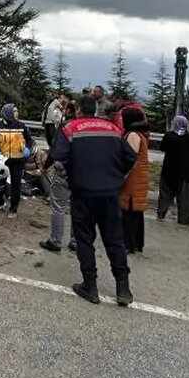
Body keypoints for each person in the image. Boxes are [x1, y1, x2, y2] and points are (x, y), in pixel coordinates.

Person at [50, 94, 138, 306]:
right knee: (114, 240)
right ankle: (123, 288)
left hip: (83, 193)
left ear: (78, 109)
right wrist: (116, 175)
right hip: (109, 193)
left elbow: (58, 154)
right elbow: (130, 157)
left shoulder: (71, 129)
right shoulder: (113, 129)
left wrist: (74, 169)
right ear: (95, 110)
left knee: (84, 239)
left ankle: (90, 285)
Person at [40, 103, 78, 253]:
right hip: (81, 174)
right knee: (77, 208)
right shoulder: (86, 127)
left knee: (58, 207)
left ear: (69, 111)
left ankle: (55, 241)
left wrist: (45, 167)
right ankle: (75, 241)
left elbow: (55, 150)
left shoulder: (66, 127)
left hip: (64, 172)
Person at [0, 102, 34, 217]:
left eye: (17, 111)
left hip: (18, 160)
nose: (17, 113)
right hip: (2, 160)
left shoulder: (21, 126)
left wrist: (28, 149)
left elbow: (30, 140)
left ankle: (13, 209)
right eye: (14, 111)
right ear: (7, 112)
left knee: (16, 185)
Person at [158, 115, 189, 224]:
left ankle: (161, 213)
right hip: (185, 173)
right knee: (184, 198)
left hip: (169, 171)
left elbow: (162, 147)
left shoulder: (169, 136)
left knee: (165, 194)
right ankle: (184, 219)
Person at [119, 107, 152, 253]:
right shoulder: (140, 134)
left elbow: (129, 159)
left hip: (133, 178)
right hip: (140, 176)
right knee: (136, 212)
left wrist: (120, 176)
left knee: (129, 210)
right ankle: (137, 243)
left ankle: (128, 243)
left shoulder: (132, 135)